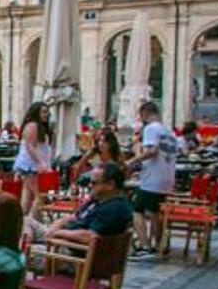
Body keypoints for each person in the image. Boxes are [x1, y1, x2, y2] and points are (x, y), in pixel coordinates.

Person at [28, 162, 134, 245]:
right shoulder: (98, 199)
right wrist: (54, 228)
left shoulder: (114, 209)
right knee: (24, 220)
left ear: (110, 185)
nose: (88, 185)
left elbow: (90, 236)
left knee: (25, 254)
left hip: (72, 255)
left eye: (93, 182)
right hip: (63, 240)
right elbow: (73, 217)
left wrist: (58, 233)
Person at [125, 101, 178, 259]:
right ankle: (158, 245)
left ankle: (145, 246)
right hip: (167, 177)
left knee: (136, 210)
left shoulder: (151, 128)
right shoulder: (167, 131)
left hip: (153, 179)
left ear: (144, 114)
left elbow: (152, 151)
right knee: (154, 212)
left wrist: (132, 161)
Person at [14, 102, 54, 215]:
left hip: (33, 164)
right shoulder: (32, 126)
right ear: (36, 113)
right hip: (31, 165)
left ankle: (23, 219)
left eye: (47, 112)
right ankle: (31, 221)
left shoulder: (37, 126)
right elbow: (30, 147)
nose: (47, 114)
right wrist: (41, 163)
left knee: (27, 193)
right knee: (39, 195)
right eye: (44, 112)